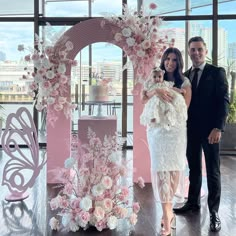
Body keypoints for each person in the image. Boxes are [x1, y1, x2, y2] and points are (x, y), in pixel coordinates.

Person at [173, 36, 230, 233]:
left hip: (211, 131)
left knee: (213, 172)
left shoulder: (217, 72)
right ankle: (193, 203)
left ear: (205, 51)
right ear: (188, 52)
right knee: (194, 169)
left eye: (199, 49)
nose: (196, 53)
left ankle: (214, 212)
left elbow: (223, 101)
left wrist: (218, 128)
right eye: (192, 50)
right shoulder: (185, 75)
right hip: (191, 131)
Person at [141, 47, 192, 236]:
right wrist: (156, 92)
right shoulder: (154, 77)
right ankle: (166, 214)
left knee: (174, 168)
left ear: (179, 63)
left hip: (176, 131)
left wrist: (170, 96)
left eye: (174, 60)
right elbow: (143, 97)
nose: (170, 62)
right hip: (157, 131)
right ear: (163, 60)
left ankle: (168, 212)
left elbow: (185, 107)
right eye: (167, 59)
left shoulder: (184, 81)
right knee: (161, 168)